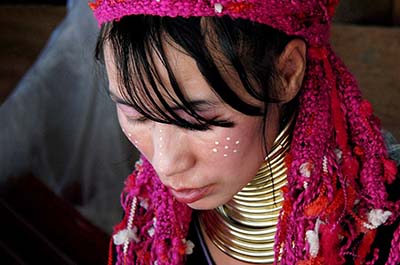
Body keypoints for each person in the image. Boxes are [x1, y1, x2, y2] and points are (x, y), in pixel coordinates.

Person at [89, 0, 400, 264]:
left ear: (287, 73)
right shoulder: (146, 226)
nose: (166, 164)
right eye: (137, 116)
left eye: (198, 119)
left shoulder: (386, 235)